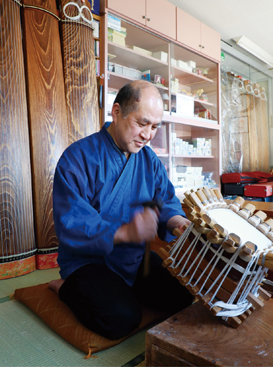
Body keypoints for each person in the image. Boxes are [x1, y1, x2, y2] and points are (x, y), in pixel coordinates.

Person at [49, 80, 194, 340]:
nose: (148, 135)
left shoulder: (149, 160)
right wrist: (125, 232)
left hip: (132, 258)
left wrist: (176, 222)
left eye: (154, 126)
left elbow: (165, 201)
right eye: (142, 123)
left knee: (184, 294)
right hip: (88, 260)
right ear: (117, 112)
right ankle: (65, 287)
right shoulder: (77, 157)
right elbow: (71, 222)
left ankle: (122, 290)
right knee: (120, 319)